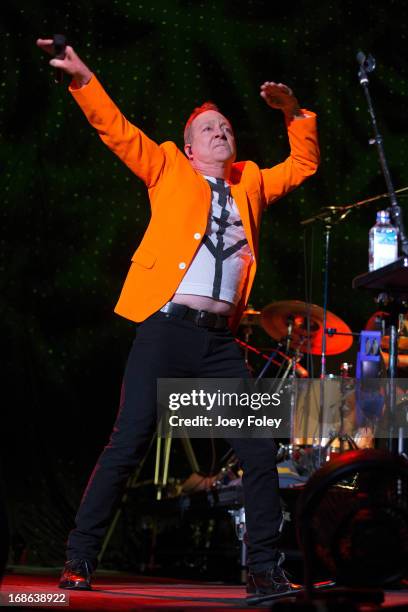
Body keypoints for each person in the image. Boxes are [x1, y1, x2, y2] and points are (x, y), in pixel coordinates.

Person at [36, 38, 320, 597]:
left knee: (259, 451)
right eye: (209, 129)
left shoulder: (252, 182)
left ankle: (264, 569)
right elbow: (116, 129)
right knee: (130, 438)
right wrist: (82, 77)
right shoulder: (167, 166)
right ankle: (79, 557)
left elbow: (304, 164)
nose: (220, 132)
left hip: (219, 346)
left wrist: (293, 113)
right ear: (190, 148)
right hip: (166, 329)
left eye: (226, 128)